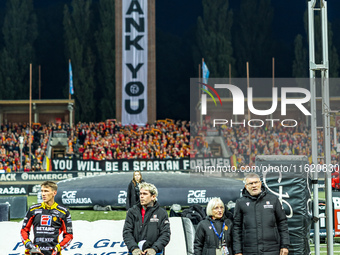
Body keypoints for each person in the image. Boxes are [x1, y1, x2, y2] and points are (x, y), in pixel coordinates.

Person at [233, 173, 289, 255]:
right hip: (249, 250)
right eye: (251, 183)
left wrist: (285, 245)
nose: (254, 185)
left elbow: (282, 223)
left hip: (272, 249)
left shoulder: (273, 200)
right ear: (246, 186)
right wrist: (237, 251)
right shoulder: (240, 202)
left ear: (260, 183)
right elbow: (237, 228)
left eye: (256, 182)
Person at [21, 181, 73, 255]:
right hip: (35, 252)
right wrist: (28, 244)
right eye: (42, 191)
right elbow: (24, 230)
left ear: (54, 193)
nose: (43, 194)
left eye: (46, 191)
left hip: (53, 253)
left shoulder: (63, 212)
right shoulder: (33, 209)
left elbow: (69, 235)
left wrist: (58, 247)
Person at [123, 182, 170, 255]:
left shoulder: (162, 213)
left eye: (145, 194)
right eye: (140, 194)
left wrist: (154, 248)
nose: (141, 196)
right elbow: (127, 232)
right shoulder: (132, 212)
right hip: (135, 252)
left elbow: (165, 234)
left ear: (153, 197)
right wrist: (134, 248)